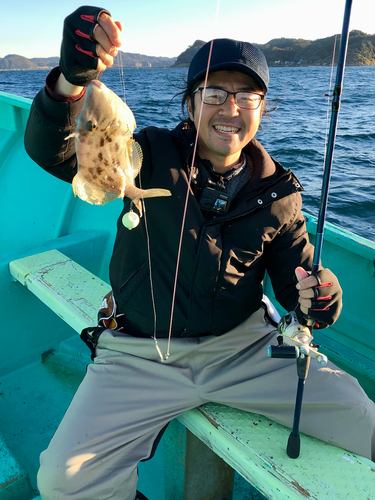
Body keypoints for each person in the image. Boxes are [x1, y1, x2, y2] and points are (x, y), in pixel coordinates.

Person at [24, 6, 374, 500]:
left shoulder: (279, 194)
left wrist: (321, 298)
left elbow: (297, 288)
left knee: (365, 420)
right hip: (139, 351)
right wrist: (69, 83)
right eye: (215, 94)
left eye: (247, 96)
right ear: (190, 104)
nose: (231, 108)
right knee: (62, 480)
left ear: (262, 108)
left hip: (245, 349)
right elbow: (55, 154)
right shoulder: (145, 156)